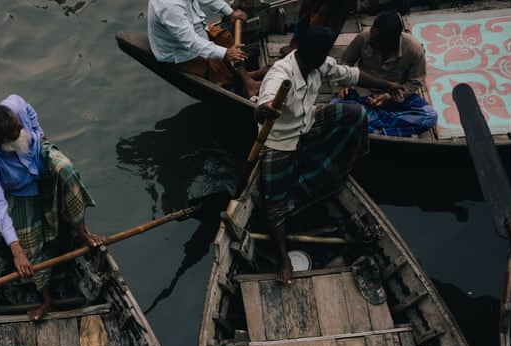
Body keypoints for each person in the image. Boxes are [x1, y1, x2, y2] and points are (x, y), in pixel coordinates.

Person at [254, 26, 405, 284]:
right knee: (275, 205)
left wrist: (388, 85)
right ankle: (284, 259)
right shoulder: (280, 75)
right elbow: (261, 107)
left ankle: (351, 161)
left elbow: (353, 75)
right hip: (280, 141)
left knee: (356, 114)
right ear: (317, 55)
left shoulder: (318, 65)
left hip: (307, 123)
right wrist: (266, 109)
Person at [0, 94, 105, 321]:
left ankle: (83, 233)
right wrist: (17, 252)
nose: (21, 130)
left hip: (38, 155)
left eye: (19, 125)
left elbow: (31, 116)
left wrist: (39, 135)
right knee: (29, 250)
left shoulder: (15, 104)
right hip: (20, 190)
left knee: (66, 170)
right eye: (16, 132)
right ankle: (47, 299)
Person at [332, 11, 437, 136]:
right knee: (334, 107)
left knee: (429, 116)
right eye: (371, 34)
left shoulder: (414, 50)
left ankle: (371, 126)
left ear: (391, 42)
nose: (370, 40)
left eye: (375, 39)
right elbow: (346, 61)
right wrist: (345, 83)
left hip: (395, 97)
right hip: (362, 92)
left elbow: (415, 82)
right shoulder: (363, 37)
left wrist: (387, 97)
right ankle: (379, 125)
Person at [148, 0, 264, 98]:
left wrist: (230, 12)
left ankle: (247, 79)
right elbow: (190, 42)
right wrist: (225, 53)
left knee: (225, 38)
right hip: (180, 52)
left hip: (196, 30)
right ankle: (245, 83)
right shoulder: (169, 6)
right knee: (214, 68)